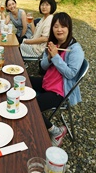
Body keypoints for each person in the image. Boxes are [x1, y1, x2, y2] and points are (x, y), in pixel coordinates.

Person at [30, 12, 84, 147]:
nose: (59, 29)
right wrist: (49, 57)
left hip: (59, 91)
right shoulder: (53, 44)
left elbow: (71, 74)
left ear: (69, 28)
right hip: (47, 83)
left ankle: (56, 131)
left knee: (31, 107)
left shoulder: (75, 49)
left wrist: (56, 57)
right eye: (56, 26)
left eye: (63, 26)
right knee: (21, 81)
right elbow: (42, 67)